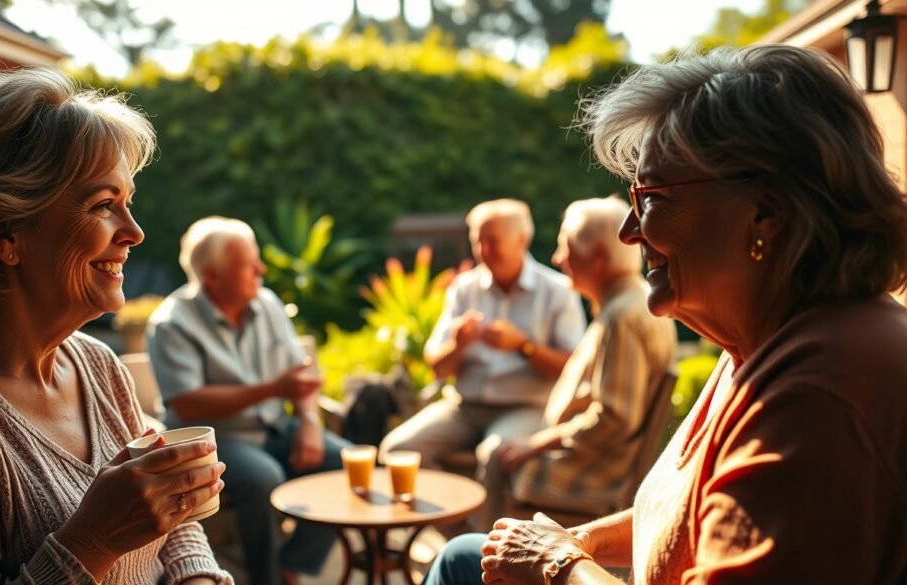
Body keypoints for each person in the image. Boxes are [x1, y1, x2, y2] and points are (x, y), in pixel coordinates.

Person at [427, 45, 907, 585]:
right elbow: (692, 514)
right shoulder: (759, 342)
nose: (630, 233)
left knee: (460, 562)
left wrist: (557, 564)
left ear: (766, 213)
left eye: (652, 197)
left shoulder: (819, 392)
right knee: (465, 555)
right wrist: (580, 540)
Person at [0, 68, 231, 584]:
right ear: (4, 234)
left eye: (126, 204)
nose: (134, 233)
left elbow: (172, 518)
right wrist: (94, 541)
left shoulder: (96, 364)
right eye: (103, 206)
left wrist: (198, 578)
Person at [146, 216, 350, 585]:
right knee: (262, 478)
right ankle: (266, 579)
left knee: (345, 461)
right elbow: (188, 404)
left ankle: (292, 564)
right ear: (212, 277)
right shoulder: (172, 323)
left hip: (273, 426)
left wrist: (308, 423)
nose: (262, 269)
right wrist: (273, 389)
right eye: (248, 264)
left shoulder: (267, 303)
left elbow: (300, 378)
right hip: (212, 439)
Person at [474, 197, 676, 529]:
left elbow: (614, 418)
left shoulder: (623, 316)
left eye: (565, 248)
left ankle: (489, 564)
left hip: (596, 473)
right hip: (595, 458)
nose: (557, 259)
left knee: (499, 459)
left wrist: (536, 442)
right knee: (501, 452)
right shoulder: (627, 301)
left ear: (596, 256)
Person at [379, 198, 587, 482]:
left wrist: (522, 346)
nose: (484, 251)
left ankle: (481, 526)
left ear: (522, 240)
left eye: (493, 241)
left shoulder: (558, 292)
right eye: (478, 242)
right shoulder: (464, 289)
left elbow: (574, 368)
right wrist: (458, 345)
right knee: (396, 450)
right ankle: (456, 523)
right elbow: (437, 367)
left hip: (525, 406)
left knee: (496, 454)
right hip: (464, 406)